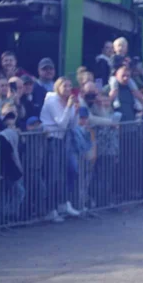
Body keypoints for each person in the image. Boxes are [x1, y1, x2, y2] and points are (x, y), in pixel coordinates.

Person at [39, 76, 82, 218]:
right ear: (58, 87)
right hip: (52, 139)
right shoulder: (52, 101)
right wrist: (69, 107)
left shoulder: (67, 102)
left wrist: (75, 111)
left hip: (63, 139)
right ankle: (50, 209)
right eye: (65, 86)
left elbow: (72, 125)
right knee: (53, 175)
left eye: (70, 86)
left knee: (66, 172)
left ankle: (63, 203)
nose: (68, 89)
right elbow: (61, 124)